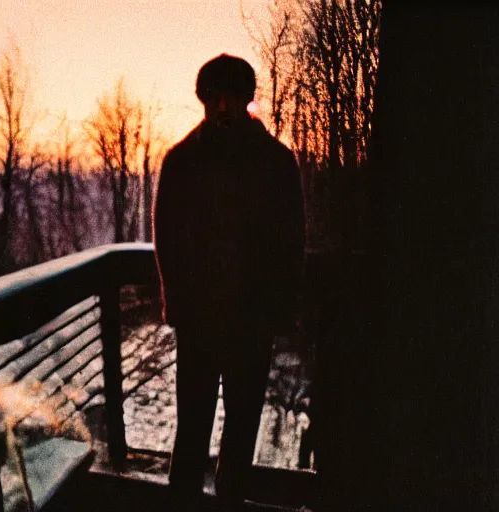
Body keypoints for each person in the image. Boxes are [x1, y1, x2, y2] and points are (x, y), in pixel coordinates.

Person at [153, 54, 305, 509]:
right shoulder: (181, 162)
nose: (222, 107)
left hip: (250, 323)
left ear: (245, 101)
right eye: (214, 98)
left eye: (231, 98)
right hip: (201, 325)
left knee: (241, 433)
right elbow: (167, 239)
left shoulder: (277, 163)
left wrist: (278, 310)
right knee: (192, 431)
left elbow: (291, 242)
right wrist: (177, 304)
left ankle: (227, 501)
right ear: (203, 100)